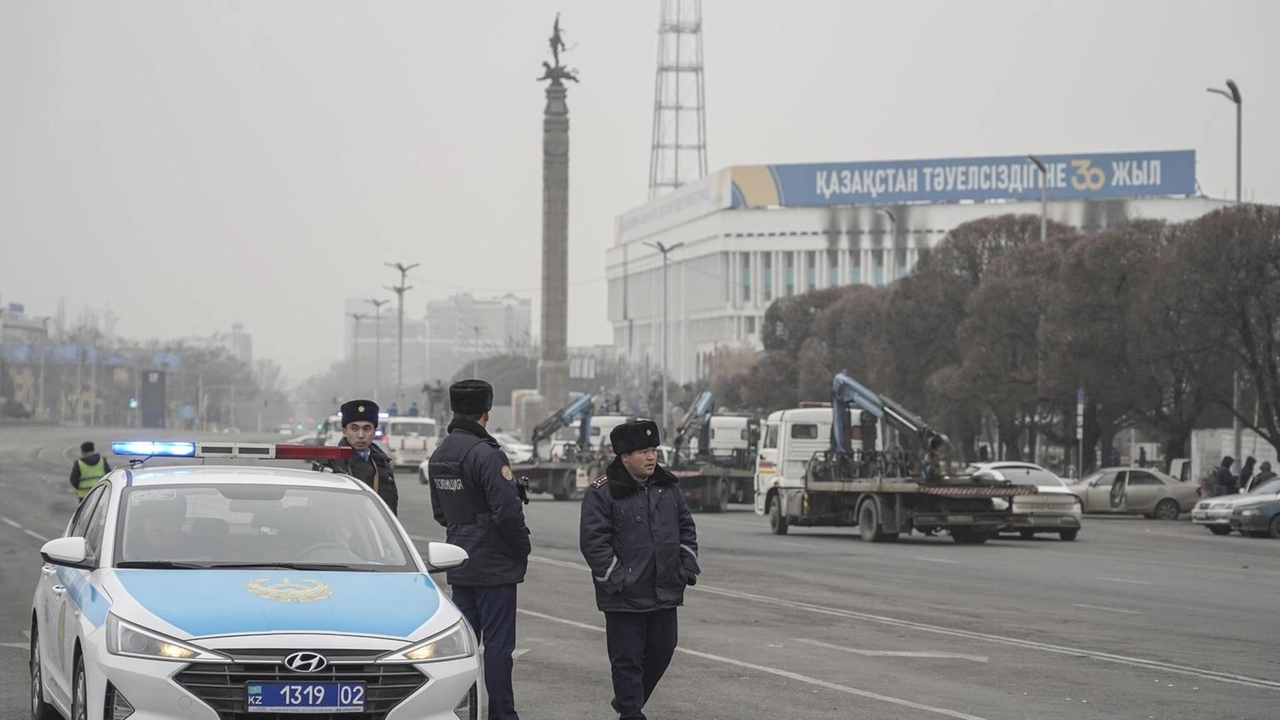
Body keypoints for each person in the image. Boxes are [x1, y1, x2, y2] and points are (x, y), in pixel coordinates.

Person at [580, 420, 699, 720]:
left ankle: (627, 700)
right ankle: (631, 712)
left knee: (663, 650)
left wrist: (685, 567)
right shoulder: (603, 493)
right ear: (624, 457)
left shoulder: (668, 487)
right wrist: (617, 578)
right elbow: (594, 542)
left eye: (654, 450)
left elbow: (686, 528)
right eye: (643, 451)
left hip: (664, 589)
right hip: (624, 595)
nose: (651, 457)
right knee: (627, 660)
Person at [428, 380, 530, 720]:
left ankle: (456, 710)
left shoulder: (440, 453)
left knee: (463, 648)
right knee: (499, 649)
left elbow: (440, 513)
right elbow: (508, 511)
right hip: (495, 566)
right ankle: (502, 714)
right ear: (487, 412)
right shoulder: (487, 454)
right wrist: (521, 548)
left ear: (454, 411)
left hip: (460, 561)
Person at [319, 400, 398, 515]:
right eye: (354, 429)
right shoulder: (330, 463)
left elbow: (392, 508)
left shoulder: (383, 463)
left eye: (366, 429)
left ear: (374, 432)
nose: (361, 435)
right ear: (345, 432)